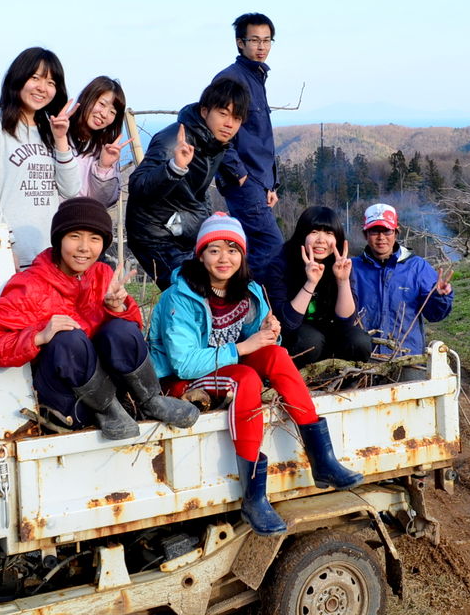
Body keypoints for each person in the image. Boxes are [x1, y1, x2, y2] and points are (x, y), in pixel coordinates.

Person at [147, 213, 362, 536]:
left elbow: (259, 339)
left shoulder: (247, 290)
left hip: (224, 364)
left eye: (232, 250)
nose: (224, 258)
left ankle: (322, 459)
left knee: (276, 355)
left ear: (242, 255)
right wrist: (244, 347)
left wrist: (270, 331)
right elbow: (184, 363)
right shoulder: (181, 296)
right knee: (245, 378)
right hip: (184, 379)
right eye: (214, 250)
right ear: (200, 255)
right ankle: (253, 497)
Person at [0, 197, 198, 440]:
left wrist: (118, 308)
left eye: (94, 238)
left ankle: (150, 400)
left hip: (117, 394)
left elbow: (131, 332)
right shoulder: (30, 286)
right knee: (68, 337)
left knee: (120, 329)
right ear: (59, 239)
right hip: (68, 403)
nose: (84, 247)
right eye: (75, 236)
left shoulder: (102, 275)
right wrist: (38, 337)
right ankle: (106, 410)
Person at [0, 47, 82, 268]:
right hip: (8, 260)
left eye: (51, 82)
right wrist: (3, 247)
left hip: (50, 259)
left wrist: (61, 139)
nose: (42, 88)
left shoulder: (52, 129)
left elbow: (71, 190)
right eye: (35, 78)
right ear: (18, 78)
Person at [126, 78, 249, 292]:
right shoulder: (175, 139)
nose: (229, 124)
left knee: (223, 281)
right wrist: (174, 167)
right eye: (223, 113)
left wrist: (209, 221)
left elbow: (198, 191)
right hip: (156, 236)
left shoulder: (213, 143)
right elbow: (138, 186)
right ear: (204, 111)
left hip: (182, 231)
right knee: (191, 291)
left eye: (236, 118)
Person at [213, 13, 282, 281]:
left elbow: (259, 137)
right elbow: (217, 132)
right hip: (243, 180)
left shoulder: (256, 77)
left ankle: (240, 300)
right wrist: (240, 174)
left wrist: (270, 185)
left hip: (257, 182)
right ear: (240, 42)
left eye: (267, 40)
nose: (261, 46)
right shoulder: (231, 79)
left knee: (251, 246)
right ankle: (251, 299)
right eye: (254, 40)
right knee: (270, 245)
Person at [265, 205, 373, 366]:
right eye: (314, 232)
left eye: (329, 233)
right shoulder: (281, 263)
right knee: (310, 340)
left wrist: (342, 281)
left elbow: (346, 322)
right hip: (294, 338)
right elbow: (287, 324)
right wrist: (311, 282)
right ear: (302, 234)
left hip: (329, 333)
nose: (321, 240)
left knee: (359, 341)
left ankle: (348, 376)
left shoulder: (340, 263)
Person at [351, 203, 454, 368]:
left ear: (396, 232)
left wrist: (439, 297)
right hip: (360, 359)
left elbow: (435, 315)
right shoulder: (351, 268)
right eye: (374, 231)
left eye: (387, 231)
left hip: (407, 358)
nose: (381, 237)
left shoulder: (418, 267)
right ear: (366, 234)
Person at [70, 75, 129, 208]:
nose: (104, 114)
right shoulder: (57, 134)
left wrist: (104, 167)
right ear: (87, 97)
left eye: (112, 112)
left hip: (84, 219)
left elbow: (104, 201)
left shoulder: (106, 150)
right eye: (102, 104)